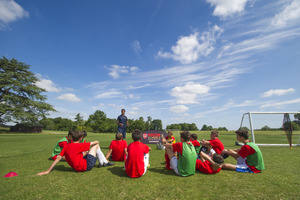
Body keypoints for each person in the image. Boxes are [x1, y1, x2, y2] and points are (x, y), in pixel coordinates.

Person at [37, 130, 114, 175]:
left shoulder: (66, 146)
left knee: (88, 150)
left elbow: (58, 158)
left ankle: (103, 161)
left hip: (77, 167)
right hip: (86, 166)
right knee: (96, 145)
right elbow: (96, 142)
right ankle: (102, 162)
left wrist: (48, 171)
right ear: (80, 138)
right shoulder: (80, 145)